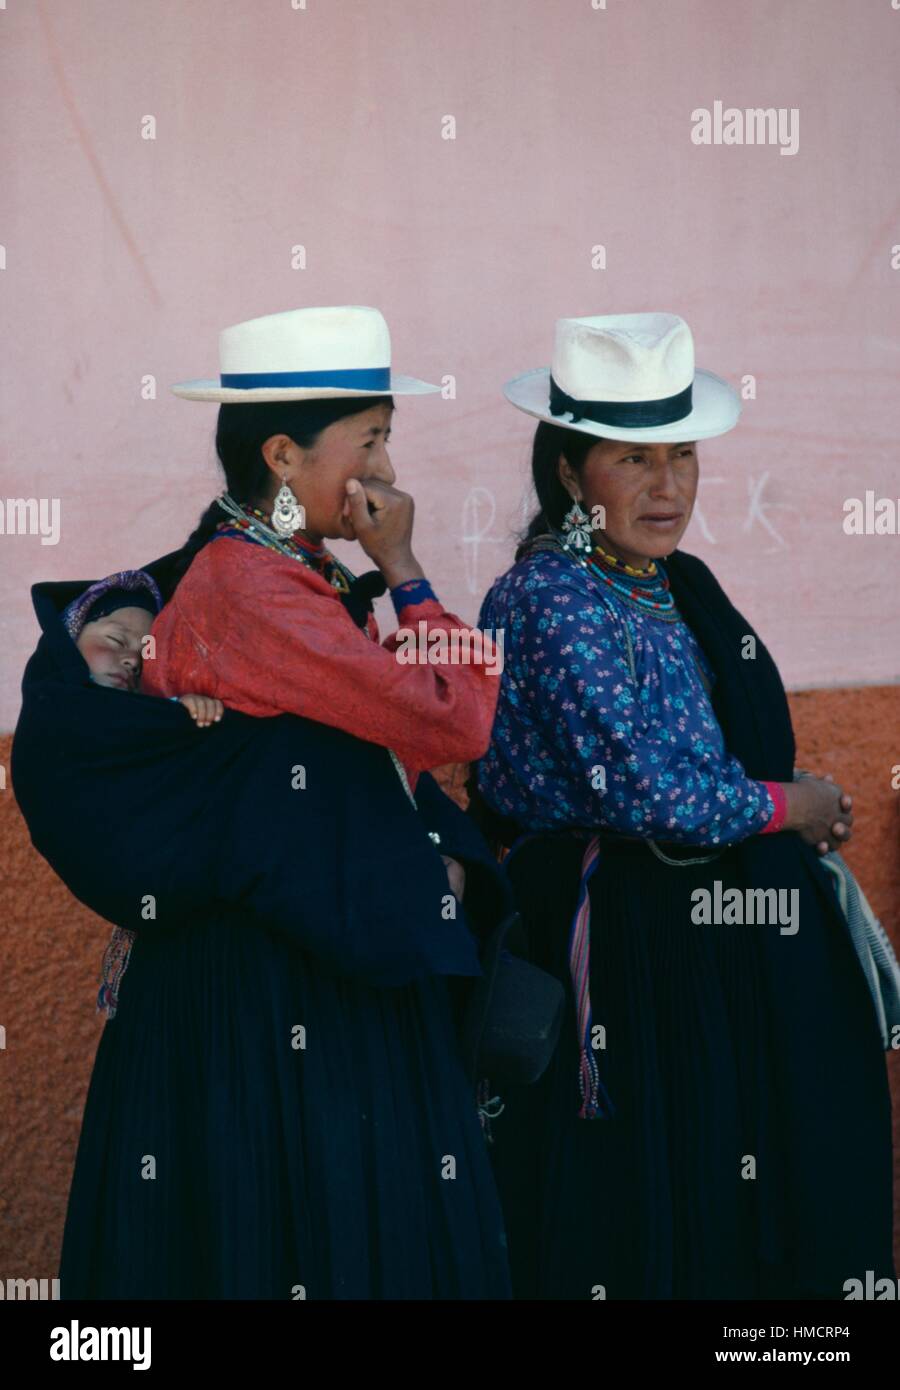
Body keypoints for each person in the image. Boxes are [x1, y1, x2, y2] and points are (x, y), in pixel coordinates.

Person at [14, 306, 512, 1299]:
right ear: (284, 455)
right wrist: (408, 570)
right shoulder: (257, 592)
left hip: (275, 968)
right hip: (271, 988)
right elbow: (456, 715)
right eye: (368, 440)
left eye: (386, 437)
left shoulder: (280, 571)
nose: (385, 468)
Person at [471, 311, 896, 1299]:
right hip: (626, 948)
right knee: (651, 1196)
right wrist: (791, 805)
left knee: (728, 1186)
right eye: (633, 459)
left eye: (683, 455)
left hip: (704, 941)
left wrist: (786, 809)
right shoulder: (552, 601)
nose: (668, 487)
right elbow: (655, 794)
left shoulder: (669, 585)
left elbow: (704, 766)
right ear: (573, 474)